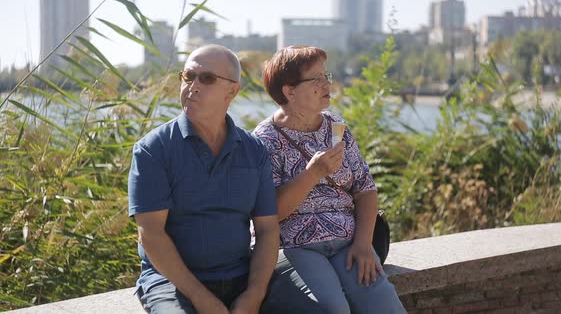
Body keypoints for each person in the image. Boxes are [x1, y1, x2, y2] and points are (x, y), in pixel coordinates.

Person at [253, 45, 407, 314]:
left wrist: (363, 243)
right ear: (289, 91)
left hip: (348, 242)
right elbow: (269, 213)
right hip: (296, 246)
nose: (327, 84)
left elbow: (365, 190)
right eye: (317, 79)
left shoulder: (336, 127)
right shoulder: (265, 141)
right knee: (333, 309)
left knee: (384, 303)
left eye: (327, 76)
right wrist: (313, 173)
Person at [128, 44, 279, 314]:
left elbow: (267, 229)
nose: (192, 86)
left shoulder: (254, 150)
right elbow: (150, 234)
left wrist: (254, 294)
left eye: (206, 79)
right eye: (188, 76)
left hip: (242, 277)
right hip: (172, 283)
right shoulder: (153, 150)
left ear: (232, 91)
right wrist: (202, 299)